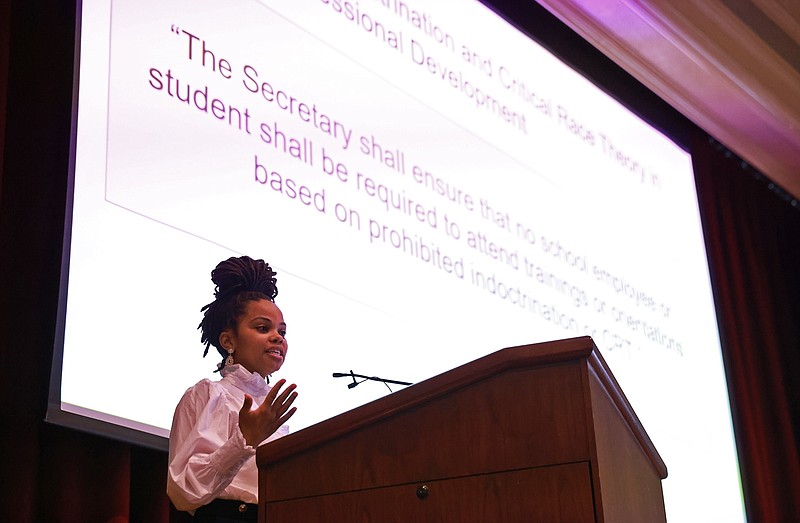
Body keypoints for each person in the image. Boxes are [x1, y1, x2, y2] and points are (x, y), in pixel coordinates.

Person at [167, 255, 298, 521]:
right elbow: (183, 491)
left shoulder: (271, 406)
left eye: (282, 332)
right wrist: (244, 441)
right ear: (228, 340)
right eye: (263, 327)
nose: (277, 337)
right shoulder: (209, 394)